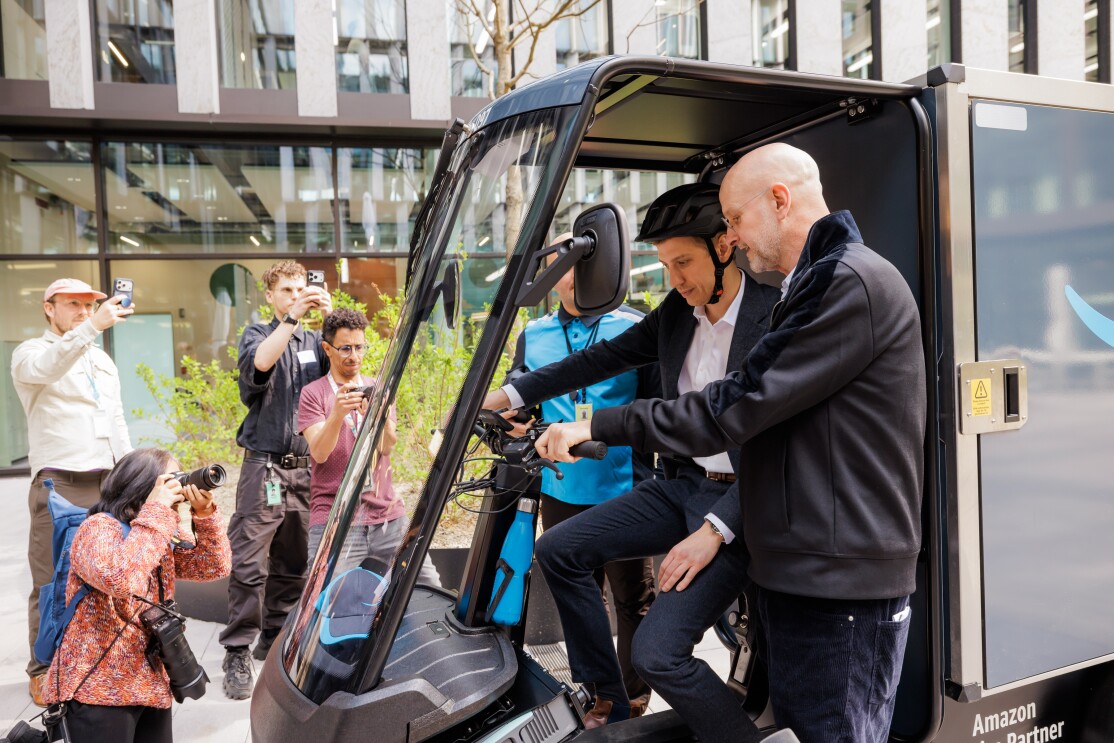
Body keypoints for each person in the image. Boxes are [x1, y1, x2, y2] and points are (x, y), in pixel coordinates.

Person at [538, 143, 927, 743]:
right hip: (803, 569)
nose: (735, 237)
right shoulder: (813, 285)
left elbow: (736, 406)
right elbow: (774, 427)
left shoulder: (846, 284)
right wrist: (512, 397)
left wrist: (599, 426)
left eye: (737, 219)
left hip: (840, 579)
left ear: (779, 200)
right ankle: (607, 704)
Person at [482, 183, 781, 740]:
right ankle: (611, 706)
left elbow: (780, 450)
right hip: (684, 484)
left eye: (684, 262)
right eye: (665, 265)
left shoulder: (774, 313)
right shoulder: (676, 315)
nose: (676, 279)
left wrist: (716, 530)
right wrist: (503, 397)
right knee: (559, 551)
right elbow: (597, 361)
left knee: (658, 653)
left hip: (746, 501)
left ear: (724, 246)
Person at [500, 240, 660, 715]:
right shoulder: (534, 332)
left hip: (623, 484)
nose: (564, 280)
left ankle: (631, 697)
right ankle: (595, 692)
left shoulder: (635, 327)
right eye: (556, 271)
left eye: (571, 270)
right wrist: (517, 418)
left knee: (634, 600)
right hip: (560, 485)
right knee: (578, 595)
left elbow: (657, 406)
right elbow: (520, 390)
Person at [42, 447, 232, 742]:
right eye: (170, 480)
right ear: (141, 485)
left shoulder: (155, 532)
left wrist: (204, 515)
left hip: (150, 682)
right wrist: (156, 513)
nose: (178, 488)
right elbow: (119, 579)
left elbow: (212, 567)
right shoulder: (98, 528)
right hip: (98, 688)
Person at [10, 278, 135, 707]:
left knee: (106, 578)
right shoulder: (29, 353)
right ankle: (42, 668)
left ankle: (95, 659)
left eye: (90, 305)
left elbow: (115, 418)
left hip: (107, 482)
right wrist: (91, 329)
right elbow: (47, 368)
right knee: (50, 581)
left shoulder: (101, 359)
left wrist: (133, 472)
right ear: (49, 308)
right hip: (59, 480)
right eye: (74, 305)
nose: (84, 311)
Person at [219, 260, 332, 700]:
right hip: (264, 466)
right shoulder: (258, 334)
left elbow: (343, 377)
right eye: (285, 290)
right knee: (249, 562)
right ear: (270, 296)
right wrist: (290, 319)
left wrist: (328, 322)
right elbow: (259, 367)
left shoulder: (315, 340)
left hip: (308, 468)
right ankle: (237, 649)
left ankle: (276, 639)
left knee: (295, 560)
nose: (294, 296)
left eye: (300, 289)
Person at [298, 307, 440, 583]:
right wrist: (337, 414)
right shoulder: (313, 394)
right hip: (334, 516)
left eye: (360, 347)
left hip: (387, 513)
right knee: (326, 599)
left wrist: (383, 416)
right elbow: (319, 452)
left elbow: (386, 447)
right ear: (327, 349)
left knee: (426, 585)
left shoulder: (377, 387)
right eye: (345, 348)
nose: (354, 356)